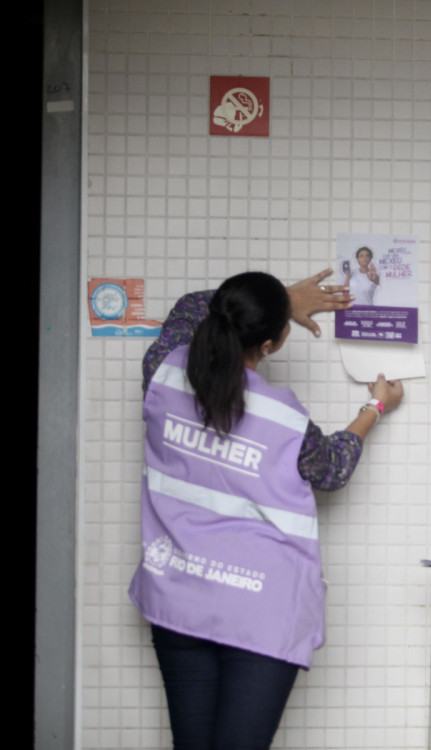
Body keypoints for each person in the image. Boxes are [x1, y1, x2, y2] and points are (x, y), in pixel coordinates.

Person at [128, 269, 404, 750]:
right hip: (259, 609)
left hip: (179, 600)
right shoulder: (284, 417)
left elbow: (191, 306)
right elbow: (333, 468)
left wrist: (283, 297)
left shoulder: (162, 373)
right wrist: (374, 407)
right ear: (273, 344)